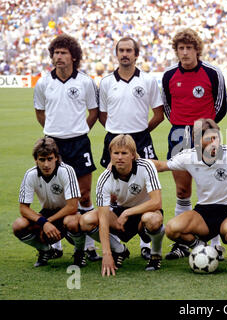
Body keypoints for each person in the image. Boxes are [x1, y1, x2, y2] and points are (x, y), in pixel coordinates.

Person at [150, 119, 227, 272]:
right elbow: (161, 166)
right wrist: (133, 160)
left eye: (216, 138)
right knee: (172, 229)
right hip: (204, 212)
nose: (214, 143)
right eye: (209, 139)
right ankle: (201, 248)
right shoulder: (188, 156)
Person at [161, 28, 227, 260]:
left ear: (197, 50)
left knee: (211, 188)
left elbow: (221, 106)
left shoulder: (212, 72)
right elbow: (167, 107)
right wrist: (184, 126)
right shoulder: (169, 75)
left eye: (189, 48)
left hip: (207, 134)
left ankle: (216, 242)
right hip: (179, 133)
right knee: (182, 190)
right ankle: (182, 243)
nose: (185, 52)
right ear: (176, 50)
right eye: (181, 48)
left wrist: (205, 128)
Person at [34, 34, 101, 261]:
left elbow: (94, 112)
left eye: (63, 53)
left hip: (79, 142)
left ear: (73, 56)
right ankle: (57, 246)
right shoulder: (43, 83)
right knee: (57, 197)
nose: (58, 57)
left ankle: (89, 247)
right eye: (56, 52)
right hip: (53, 145)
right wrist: (54, 134)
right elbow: (40, 113)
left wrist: (80, 130)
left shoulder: (85, 81)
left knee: (84, 196)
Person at [98, 37, 164, 260]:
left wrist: (141, 132)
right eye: (121, 50)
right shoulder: (107, 82)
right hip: (113, 138)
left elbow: (158, 113)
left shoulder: (147, 80)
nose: (125, 54)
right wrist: (117, 134)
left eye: (129, 50)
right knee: (113, 187)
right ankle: (116, 243)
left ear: (137, 54)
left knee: (146, 188)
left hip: (141, 138)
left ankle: (147, 241)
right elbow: (103, 115)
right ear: (116, 54)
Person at [79, 135, 165, 277]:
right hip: (119, 214)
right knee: (86, 220)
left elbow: (157, 202)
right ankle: (119, 250)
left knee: (153, 220)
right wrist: (106, 254)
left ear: (132, 155)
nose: (119, 157)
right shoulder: (104, 178)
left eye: (124, 153)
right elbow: (104, 218)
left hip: (146, 211)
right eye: (116, 153)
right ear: (110, 155)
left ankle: (155, 254)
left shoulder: (146, 166)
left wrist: (128, 213)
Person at [12, 137, 87, 268]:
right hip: (47, 213)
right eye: (42, 159)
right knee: (18, 225)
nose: (46, 164)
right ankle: (45, 250)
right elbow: (23, 208)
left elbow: (72, 206)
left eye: (50, 159)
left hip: (67, 213)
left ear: (56, 158)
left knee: (72, 222)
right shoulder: (30, 174)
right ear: (36, 160)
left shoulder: (66, 171)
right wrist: (43, 223)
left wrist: (48, 222)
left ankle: (79, 253)